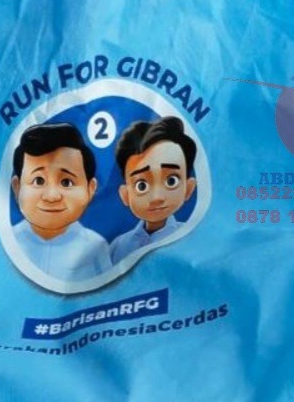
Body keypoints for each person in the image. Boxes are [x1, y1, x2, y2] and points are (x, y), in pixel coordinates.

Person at [11, 122, 111, 281]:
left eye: (66, 182)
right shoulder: (8, 242)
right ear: (17, 187)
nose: (51, 196)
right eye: (38, 181)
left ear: (90, 189)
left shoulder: (95, 246)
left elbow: (109, 290)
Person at [110, 116, 197, 264]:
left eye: (171, 181)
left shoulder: (192, 239)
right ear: (125, 194)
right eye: (141, 185)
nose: (157, 197)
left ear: (189, 188)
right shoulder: (119, 246)